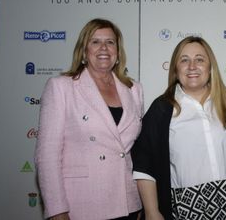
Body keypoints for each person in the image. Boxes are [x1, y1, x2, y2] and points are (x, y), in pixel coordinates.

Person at [35, 18, 144, 220]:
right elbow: (47, 155)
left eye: (110, 42)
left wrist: (138, 202)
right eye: (95, 41)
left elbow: (133, 152)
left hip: (126, 202)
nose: (104, 48)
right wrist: (57, 210)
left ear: (118, 51)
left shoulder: (133, 89)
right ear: (84, 50)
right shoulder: (61, 87)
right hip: (80, 204)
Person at [131, 36, 226, 220]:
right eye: (184, 60)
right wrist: (152, 212)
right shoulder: (162, 109)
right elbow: (144, 164)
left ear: (210, 68)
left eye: (200, 59)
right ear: (176, 69)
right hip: (185, 207)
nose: (192, 66)